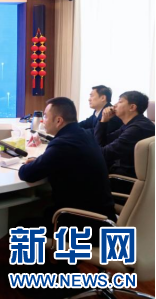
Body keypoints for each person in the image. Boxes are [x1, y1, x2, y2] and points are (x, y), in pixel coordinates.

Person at [18, 97, 115, 240]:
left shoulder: (63, 144)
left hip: (85, 225)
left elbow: (27, 174)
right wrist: (42, 161)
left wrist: (29, 164)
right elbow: (62, 160)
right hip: (101, 216)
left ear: (59, 121)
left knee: (20, 228)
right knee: (45, 210)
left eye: (46, 116)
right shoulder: (84, 135)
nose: (43, 120)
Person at [95, 90, 155, 179]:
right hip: (121, 171)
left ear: (132, 107)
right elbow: (104, 142)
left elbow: (103, 154)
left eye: (120, 102)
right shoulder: (133, 124)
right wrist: (104, 120)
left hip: (123, 178)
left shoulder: (137, 129)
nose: (114, 105)